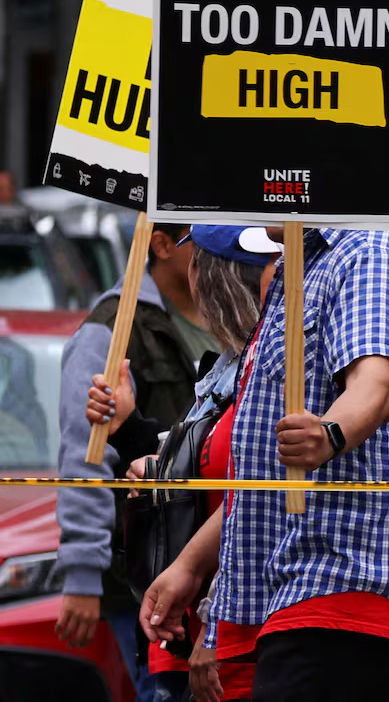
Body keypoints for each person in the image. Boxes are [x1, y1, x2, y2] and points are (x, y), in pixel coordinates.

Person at [200, 227, 389, 702]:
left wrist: (329, 433)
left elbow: (374, 384)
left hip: (347, 583)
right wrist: (190, 568)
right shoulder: (303, 263)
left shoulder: (368, 252)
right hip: (298, 588)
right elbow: (262, 478)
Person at [95, 224, 280, 702]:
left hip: (232, 648)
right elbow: (207, 474)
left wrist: (214, 628)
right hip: (186, 638)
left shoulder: (271, 377)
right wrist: (131, 430)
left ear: (208, 278)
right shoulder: (227, 369)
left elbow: (257, 501)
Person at [55, 221, 211, 702]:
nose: (211, 245)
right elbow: (86, 453)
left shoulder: (236, 312)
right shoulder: (113, 324)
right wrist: (82, 571)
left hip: (212, 563)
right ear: (159, 244)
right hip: (143, 571)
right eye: (195, 236)